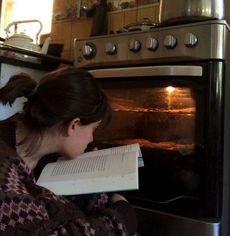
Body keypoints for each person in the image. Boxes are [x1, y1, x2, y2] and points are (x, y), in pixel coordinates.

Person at [0, 66, 138, 235]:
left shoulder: (39, 149)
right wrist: (121, 218)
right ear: (73, 125)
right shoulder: (4, 170)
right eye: (93, 129)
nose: (91, 139)